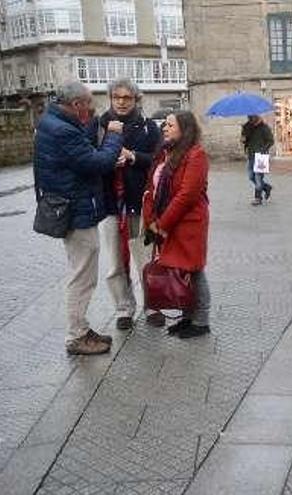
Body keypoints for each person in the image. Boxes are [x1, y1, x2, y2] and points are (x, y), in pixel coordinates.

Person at [34, 81, 124, 355]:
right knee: (82, 276)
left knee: (81, 270)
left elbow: (79, 146)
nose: (91, 109)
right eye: (88, 105)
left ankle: (82, 329)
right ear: (75, 105)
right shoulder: (62, 131)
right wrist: (113, 136)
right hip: (75, 210)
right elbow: (97, 162)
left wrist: (93, 124)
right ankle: (76, 336)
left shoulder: (52, 121)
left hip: (68, 205)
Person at [92, 78, 164, 331]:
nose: (121, 102)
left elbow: (159, 160)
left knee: (146, 259)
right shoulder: (98, 127)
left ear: (136, 99)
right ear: (110, 98)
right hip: (110, 204)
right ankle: (124, 308)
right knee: (115, 262)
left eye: (127, 98)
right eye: (117, 97)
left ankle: (153, 305)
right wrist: (107, 162)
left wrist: (133, 157)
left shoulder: (147, 127)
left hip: (141, 202)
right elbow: (88, 162)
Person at [142, 111, 212, 339]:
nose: (165, 128)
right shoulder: (166, 153)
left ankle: (201, 321)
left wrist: (162, 224)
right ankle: (187, 317)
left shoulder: (196, 155)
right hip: (167, 222)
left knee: (194, 269)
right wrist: (151, 220)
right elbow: (152, 187)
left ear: (185, 128)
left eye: (170, 125)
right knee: (179, 269)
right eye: (165, 124)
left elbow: (187, 195)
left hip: (188, 222)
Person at [241, 115, 274, 205]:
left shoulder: (264, 128)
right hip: (251, 154)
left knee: (258, 177)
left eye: (253, 117)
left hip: (261, 156)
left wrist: (263, 149)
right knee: (251, 176)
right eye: (250, 117)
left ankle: (258, 198)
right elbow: (244, 140)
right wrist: (243, 137)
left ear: (258, 117)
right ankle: (266, 187)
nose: (251, 119)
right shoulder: (247, 127)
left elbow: (271, 141)